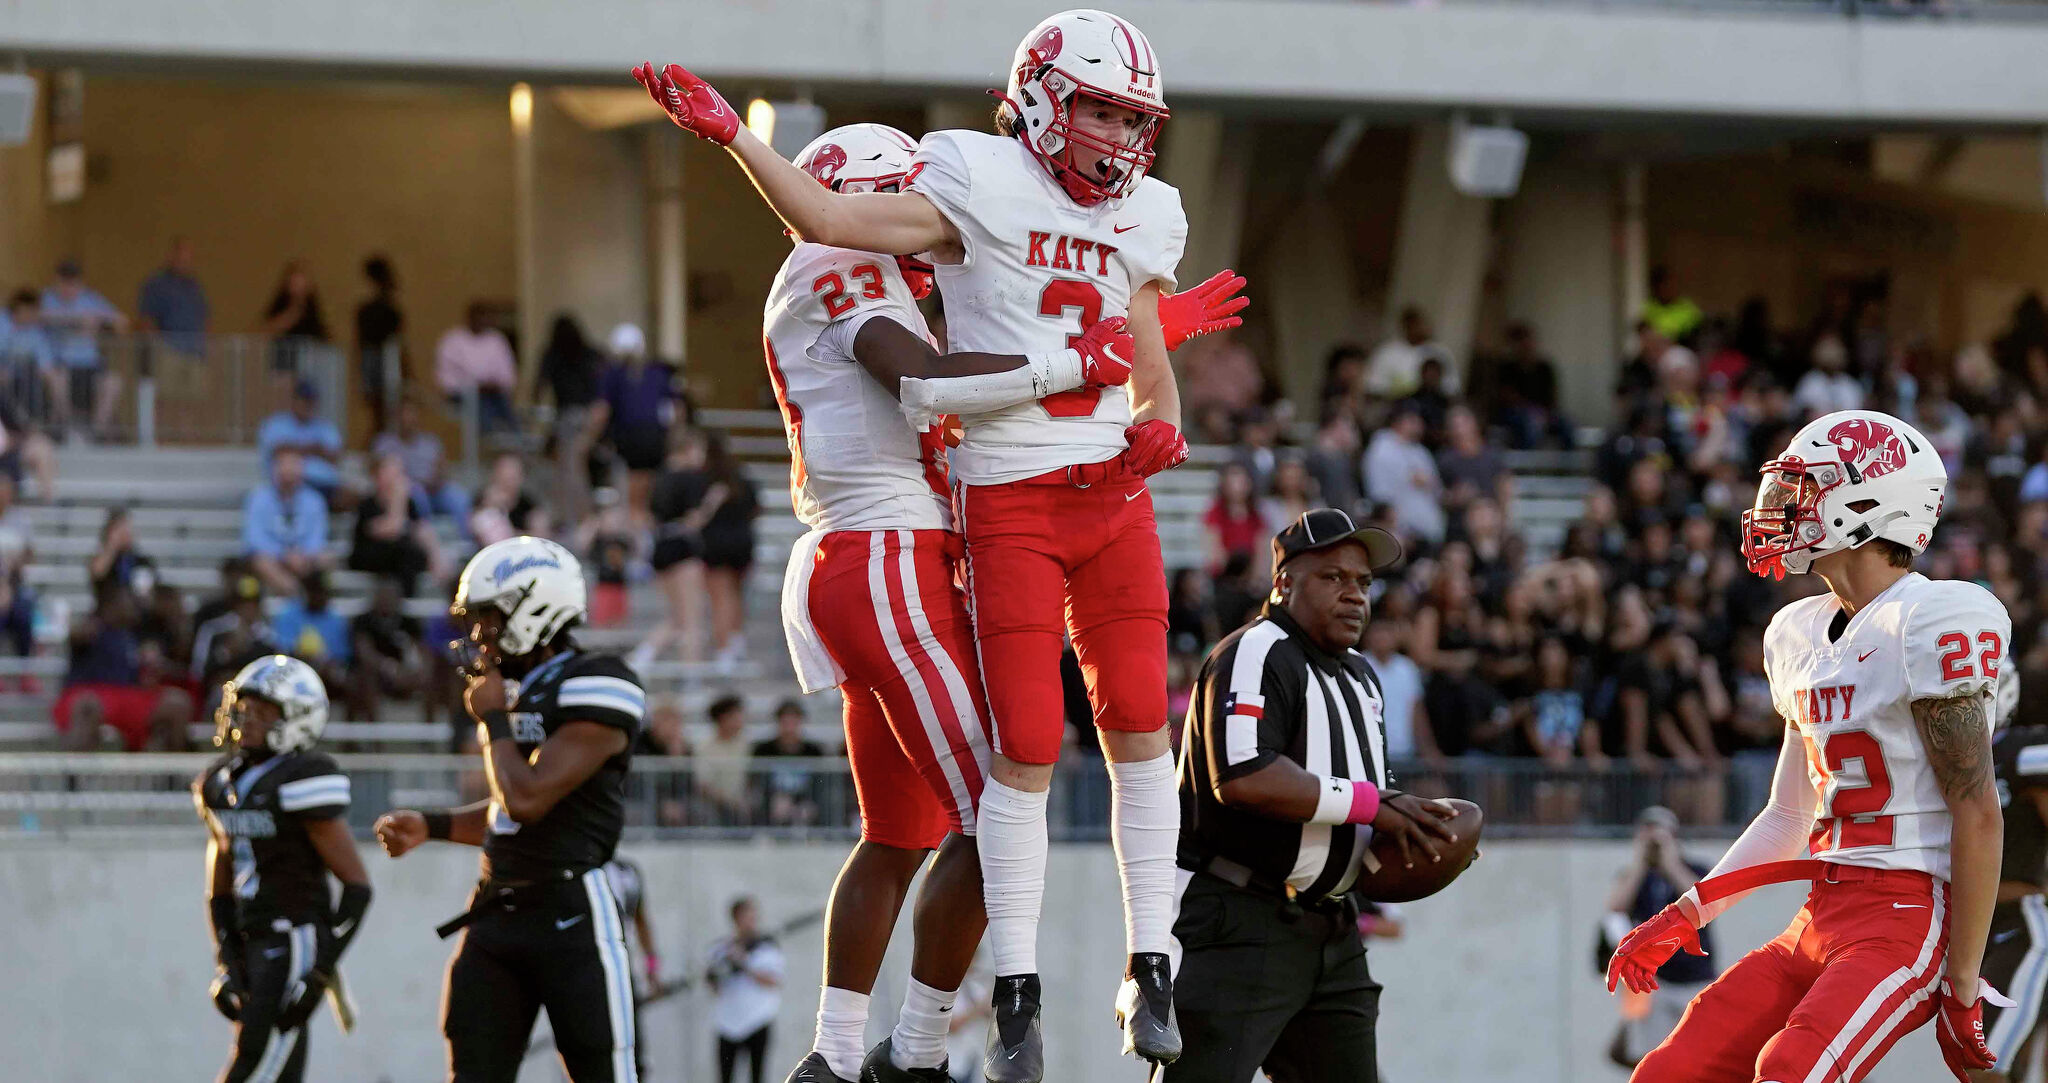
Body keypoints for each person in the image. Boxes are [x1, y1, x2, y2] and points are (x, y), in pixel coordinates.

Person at [634, 14, 1252, 1072]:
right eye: (909, 224)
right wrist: (1081, 364)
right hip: (887, 559)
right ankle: (914, 1050)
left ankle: (833, 1052)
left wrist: (1136, 342)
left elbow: (987, 347)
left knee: (900, 833)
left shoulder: (859, 275)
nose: (927, 250)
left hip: (862, 557)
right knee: (989, 810)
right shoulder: (843, 271)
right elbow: (931, 384)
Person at [1610, 409, 2013, 1082]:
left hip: (1906, 919)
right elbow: (1789, 815)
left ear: (1868, 501)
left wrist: (1963, 982)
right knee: (1669, 1071)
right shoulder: (1795, 631)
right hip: (1820, 914)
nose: (1781, 506)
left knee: (1791, 1067)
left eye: (1804, 489)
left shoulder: (1931, 618)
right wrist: (1688, 911)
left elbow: (1976, 809)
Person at [1167, 507, 1458, 1083]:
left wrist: (1418, 827)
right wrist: (1378, 805)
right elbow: (1245, 775)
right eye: (1333, 578)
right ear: (1283, 582)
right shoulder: (1255, 651)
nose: (1355, 596)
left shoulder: (1362, 676)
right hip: (1242, 921)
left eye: (1364, 583)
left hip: (1333, 927)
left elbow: (1358, 789)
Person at [373, 536, 646, 1082]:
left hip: (571, 914)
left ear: (534, 606)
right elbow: (509, 812)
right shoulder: (525, 688)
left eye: (490, 618)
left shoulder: (600, 679)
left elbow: (529, 796)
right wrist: (432, 826)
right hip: (496, 914)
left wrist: (493, 721)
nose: (479, 635)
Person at [196, 654, 373, 1083]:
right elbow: (219, 885)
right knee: (275, 1066)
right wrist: (226, 955)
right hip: (252, 934)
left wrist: (319, 971)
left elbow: (356, 888)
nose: (247, 719)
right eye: (245, 707)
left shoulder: (302, 778)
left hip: (295, 936)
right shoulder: (222, 783)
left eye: (263, 711)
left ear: (298, 719)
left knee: (256, 1061)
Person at [1602, 807, 1715, 1067]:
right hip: (1651, 981)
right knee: (1652, 1059)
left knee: (1699, 1058)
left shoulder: (1694, 868)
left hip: (1695, 976)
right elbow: (1615, 906)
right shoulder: (1634, 876)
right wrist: (1641, 863)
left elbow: (1703, 902)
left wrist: (1670, 862)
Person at [1981, 670, 2047, 1080]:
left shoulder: (2018, 750)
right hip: (1970, 927)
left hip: (2021, 918)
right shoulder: (1930, 762)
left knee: (1985, 1062)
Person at [585, 322, 680, 532]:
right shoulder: (658, 373)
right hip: (656, 439)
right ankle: (647, 539)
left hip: (631, 440)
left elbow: (601, 411)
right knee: (646, 499)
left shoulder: (614, 374)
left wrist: (588, 441)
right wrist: (670, 442)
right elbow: (675, 412)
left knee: (633, 502)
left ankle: (638, 548)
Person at [40, 258, 127, 440]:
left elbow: (121, 321)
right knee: (57, 380)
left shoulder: (90, 298)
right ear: (57, 281)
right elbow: (39, 316)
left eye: (74, 284)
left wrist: (100, 321)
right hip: (61, 364)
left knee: (113, 383)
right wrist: (75, 319)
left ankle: (96, 433)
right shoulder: (47, 297)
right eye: (65, 283)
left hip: (90, 365)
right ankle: (66, 429)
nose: (70, 289)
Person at [707, 896, 786, 1083]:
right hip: (727, 1023)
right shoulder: (720, 950)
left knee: (757, 1076)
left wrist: (743, 963)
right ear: (735, 919)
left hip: (758, 1021)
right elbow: (713, 985)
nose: (750, 921)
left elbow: (773, 980)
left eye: (752, 916)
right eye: (745, 916)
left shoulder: (767, 948)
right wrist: (722, 968)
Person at [697, 432, 759, 672]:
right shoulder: (742, 478)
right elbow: (755, 509)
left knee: (720, 597)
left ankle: (724, 649)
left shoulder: (705, 479)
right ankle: (735, 641)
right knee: (735, 594)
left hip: (716, 545)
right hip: (743, 543)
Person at [347, 454, 445, 595]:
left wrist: (436, 555)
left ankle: (409, 600)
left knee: (413, 552)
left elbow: (420, 528)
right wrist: (398, 500)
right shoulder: (368, 504)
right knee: (404, 551)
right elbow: (392, 529)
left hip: (400, 558)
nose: (397, 479)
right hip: (369, 555)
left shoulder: (409, 503)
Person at [540, 313, 604, 525]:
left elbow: (538, 386)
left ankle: (580, 519)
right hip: (589, 416)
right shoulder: (590, 354)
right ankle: (576, 517)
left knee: (572, 469)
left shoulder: (555, 354)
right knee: (572, 469)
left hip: (572, 417)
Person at [242, 449, 330, 599]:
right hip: (271, 558)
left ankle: (313, 597)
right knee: (260, 561)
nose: (288, 472)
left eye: (294, 466)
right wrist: (283, 555)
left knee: (327, 558)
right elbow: (254, 539)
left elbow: (318, 537)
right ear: (274, 469)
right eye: (284, 466)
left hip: (303, 559)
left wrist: (303, 555)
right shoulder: (258, 498)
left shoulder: (314, 500)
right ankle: (297, 596)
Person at [603, 855, 661, 1081]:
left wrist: (652, 967)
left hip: (622, 966)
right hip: (587, 967)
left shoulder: (627, 871)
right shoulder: (581, 867)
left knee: (632, 1041)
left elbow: (640, 919)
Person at [372, 397, 470, 526]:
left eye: (411, 414)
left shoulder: (431, 442)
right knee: (418, 494)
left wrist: (436, 480)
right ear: (396, 417)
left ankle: (465, 539)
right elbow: (377, 471)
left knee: (458, 497)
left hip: (434, 488)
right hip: (405, 489)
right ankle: (426, 534)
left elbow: (442, 468)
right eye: (403, 414)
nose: (407, 419)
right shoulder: (384, 443)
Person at [347, 576, 425, 724]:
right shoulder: (363, 621)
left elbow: (420, 651)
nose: (386, 600)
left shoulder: (409, 622)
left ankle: (429, 737)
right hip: (376, 673)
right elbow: (364, 652)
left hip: (404, 673)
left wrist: (411, 670)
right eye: (382, 596)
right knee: (364, 678)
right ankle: (375, 738)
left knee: (429, 677)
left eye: (390, 596)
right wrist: (389, 667)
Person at [434, 302, 519, 436]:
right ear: (469, 317)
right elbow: (445, 379)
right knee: (480, 406)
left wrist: (495, 384)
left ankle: (514, 438)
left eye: (485, 317)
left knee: (506, 408)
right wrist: (473, 386)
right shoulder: (452, 340)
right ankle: (488, 439)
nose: (482, 321)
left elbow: (508, 374)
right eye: (479, 317)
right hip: (463, 395)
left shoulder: (497, 340)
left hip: (494, 393)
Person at [257, 379, 346, 499]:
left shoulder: (325, 427)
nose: (307, 405)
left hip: (325, 485)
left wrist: (296, 449)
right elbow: (278, 451)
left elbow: (335, 456)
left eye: (311, 401)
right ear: (293, 401)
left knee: (351, 497)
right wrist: (315, 449)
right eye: (303, 400)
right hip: (289, 484)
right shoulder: (276, 423)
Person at [752, 700, 826, 826]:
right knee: (779, 807)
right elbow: (758, 782)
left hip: (805, 800)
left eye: (793, 723)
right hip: (773, 801)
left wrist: (807, 802)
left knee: (806, 811)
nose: (789, 728)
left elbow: (821, 783)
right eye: (785, 723)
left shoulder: (814, 750)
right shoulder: (763, 750)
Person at [355, 255, 405, 435]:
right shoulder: (372, 309)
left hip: (383, 361)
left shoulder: (388, 308)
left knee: (385, 413)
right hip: (376, 361)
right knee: (380, 413)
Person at [136, 235, 209, 357]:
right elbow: (146, 321)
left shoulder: (194, 287)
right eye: (182, 254)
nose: (185, 259)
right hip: (168, 354)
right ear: (172, 255)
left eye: (189, 255)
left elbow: (204, 318)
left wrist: (204, 346)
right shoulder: (157, 285)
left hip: (195, 354)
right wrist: (160, 349)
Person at [1363, 305, 1455, 399]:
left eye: (1421, 324)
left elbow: (1451, 389)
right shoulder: (1386, 352)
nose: (1419, 328)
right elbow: (1373, 388)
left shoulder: (1440, 353)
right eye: (1413, 325)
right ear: (1405, 326)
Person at [261, 260, 330, 372]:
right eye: (294, 283)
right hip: (285, 356)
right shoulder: (281, 306)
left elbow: (321, 334)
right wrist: (293, 312)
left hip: (309, 357)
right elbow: (267, 330)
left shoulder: (312, 308)